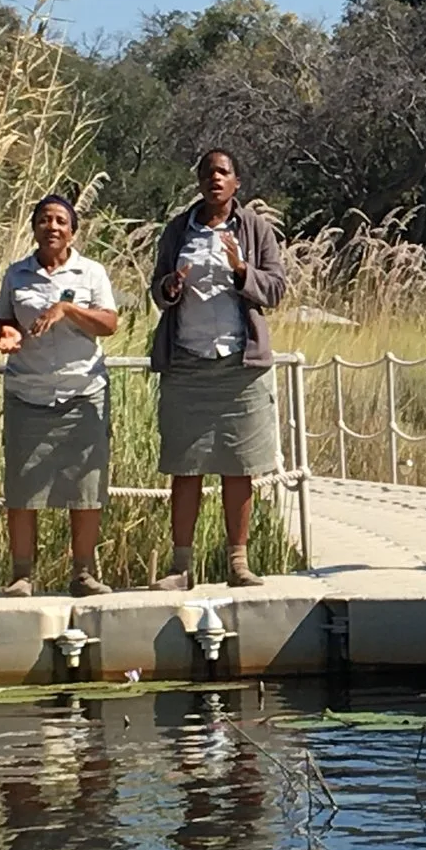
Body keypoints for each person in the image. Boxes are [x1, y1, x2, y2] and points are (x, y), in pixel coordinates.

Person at [148, 149, 288, 590]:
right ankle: (180, 567)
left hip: (238, 363)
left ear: (237, 183)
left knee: (238, 464)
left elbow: (277, 288)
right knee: (185, 467)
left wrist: (242, 269)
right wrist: (170, 287)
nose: (215, 179)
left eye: (223, 173)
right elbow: (157, 289)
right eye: (207, 172)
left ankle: (238, 563)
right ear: (198, 181)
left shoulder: (254, 228)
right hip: (187, 360)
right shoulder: (178, 229)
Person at [0, 193, 120, 597]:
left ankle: (82, 573)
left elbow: (109, 324)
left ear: (73, 231)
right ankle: (21, 576)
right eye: (44, 219)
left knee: (85, 488)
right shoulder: (16, 274)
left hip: (83, 391)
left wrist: (68, 310)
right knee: (23, 488)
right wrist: (6, 334)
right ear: (33, 228)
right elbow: (4, 320)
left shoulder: (92, 273)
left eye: (60, 221)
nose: (52, 227)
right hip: (27, 391)